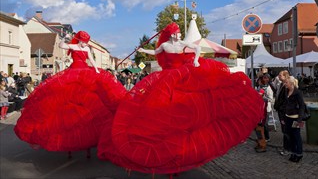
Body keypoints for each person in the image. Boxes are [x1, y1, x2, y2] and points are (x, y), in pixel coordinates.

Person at [97, 23, 264, 175]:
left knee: (189, 107)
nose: (178, 35)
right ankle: (167, 154)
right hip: (165, 79)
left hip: (182, 76)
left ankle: (179, 154)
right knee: (160, 110)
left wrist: (197, 61)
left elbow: (196, 48)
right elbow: (155, 53)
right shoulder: (164, 45)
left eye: (179, 33)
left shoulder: (182, 44)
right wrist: (142, 51)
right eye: (176, 33)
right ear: (170, 35)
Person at [14, 31, 127, 156]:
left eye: (87, 42)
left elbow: (91, 61)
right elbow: (61, 46)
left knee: (90, 100)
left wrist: (96, 70)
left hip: (85, 72)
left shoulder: (87, 49)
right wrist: (66, 39)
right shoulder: (74, 47)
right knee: (65, 99)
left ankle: (87, 141)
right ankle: (69, 142)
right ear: (80, 40)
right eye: (84, 41)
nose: (86, 43)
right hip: (72, 73)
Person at [283, 76, 305, 162]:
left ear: (291, 83)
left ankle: (299, 154)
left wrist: (300, 119)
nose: (285, 84)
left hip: (296, 118)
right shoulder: (286, 91)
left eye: (286, 83)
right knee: (290, 136)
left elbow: (302, 106)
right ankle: (293, 152)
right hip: (288, 117)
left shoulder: (297, 92)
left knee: (297, 137)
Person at [273, 70, 291, 156]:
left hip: (284, 112)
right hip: (281, 110)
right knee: (284, 130)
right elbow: (276, 93)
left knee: (286, 130)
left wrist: (281, 108)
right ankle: (286, 147)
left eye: (280, 75)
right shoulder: (281, 84)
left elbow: (286, 100)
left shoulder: (286, 86)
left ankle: (287, 148)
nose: (278, 76)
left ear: (285, 76)